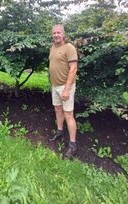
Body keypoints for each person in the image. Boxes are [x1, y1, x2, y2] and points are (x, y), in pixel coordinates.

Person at [48, 24, 78, 158]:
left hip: (66, 87)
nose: (56, 35)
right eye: (54, 33)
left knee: (68, 115)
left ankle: (73, 145)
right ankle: (60, 131)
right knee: (58, 110)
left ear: (63, 34)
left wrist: (67, 89)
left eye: (58, 33)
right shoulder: (53, 47)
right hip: (55, 86)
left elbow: (73, 69)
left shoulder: (69, 48)